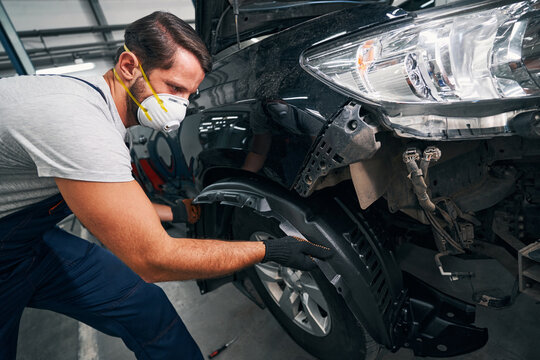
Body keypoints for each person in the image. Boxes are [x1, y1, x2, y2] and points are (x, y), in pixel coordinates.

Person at [0, 11, 332, 360]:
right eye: (174, 87)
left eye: (188, 94)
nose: (180, 106)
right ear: (129, 65)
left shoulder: (94, 109)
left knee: (143, 307)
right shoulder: (78, 125)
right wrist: (270, 251)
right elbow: (152, 259)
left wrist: (177, 211)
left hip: (25, 240)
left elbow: (104, 203)